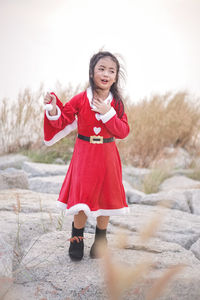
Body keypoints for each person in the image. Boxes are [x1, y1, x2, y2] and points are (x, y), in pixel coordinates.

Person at [43, 51, 130, 261]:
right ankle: (77, 238)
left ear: (116, 77)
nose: (106, 74)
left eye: (111, 70)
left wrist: (108, 112)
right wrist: (53, 108)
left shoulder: (116, 104)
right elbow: (62, 120)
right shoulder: (81, 99)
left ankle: (101, 240)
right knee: (81, 196)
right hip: (84, 154)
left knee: (106, 196)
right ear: (92, 72)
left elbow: (123, 131)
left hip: (108, 155)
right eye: (101, 69)